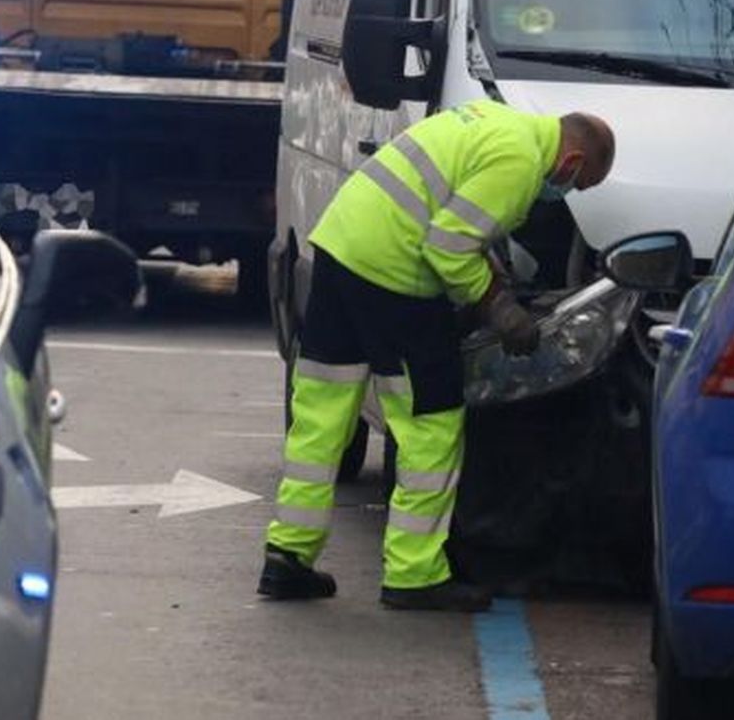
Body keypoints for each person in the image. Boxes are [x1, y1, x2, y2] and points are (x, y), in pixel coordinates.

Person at [257, 101, 616, 612]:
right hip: (392, 271)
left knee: (321, 413)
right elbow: (447, 246)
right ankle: (415, 573)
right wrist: (499, 307)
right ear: (572, 161)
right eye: (578, 185)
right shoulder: (521, 163)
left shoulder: (495, 120)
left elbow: (449, 210)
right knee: (432, 422)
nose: (566, 192)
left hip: (341, 247)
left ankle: (287, 556)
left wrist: (488, 270)